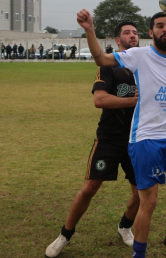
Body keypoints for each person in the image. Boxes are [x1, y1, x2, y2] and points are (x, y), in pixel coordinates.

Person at [77, 9, 166, 258]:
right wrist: (90, 29)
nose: (165, 29)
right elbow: (102, 59)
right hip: (145, 139)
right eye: (159, 26)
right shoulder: (139, 55)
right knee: (149, 202)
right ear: (151, 32)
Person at [45, 21, 142, 257]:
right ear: (118, 41)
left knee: (141, 193)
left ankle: (125, 227)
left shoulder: (144, 65)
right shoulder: (109, 65)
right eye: (127, 33)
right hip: (109, 138)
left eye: (135, 33)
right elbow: (100, 100)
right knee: (89, 188)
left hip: (137, 139)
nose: (133, 36)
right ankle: (64, 235)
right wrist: (134, 100)